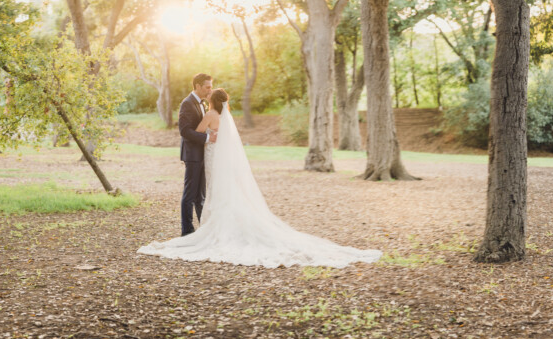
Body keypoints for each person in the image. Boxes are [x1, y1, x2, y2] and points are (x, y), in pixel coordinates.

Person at [139, 88, 382, 268]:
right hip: (214, 158)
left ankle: (207, 228)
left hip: (212, 158)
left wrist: (206, 134)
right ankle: (206, 225)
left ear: (212, 100)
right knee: (216, 191)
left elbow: (197, 132)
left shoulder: (211, 114)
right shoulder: (224, 117)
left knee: (210, 191)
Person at [176, 73, 217, 236]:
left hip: (202, 154)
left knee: (201, 195)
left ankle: (203, 229)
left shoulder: (203, 104)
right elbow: (184, 131)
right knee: (190, 194)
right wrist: (207, 137)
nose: (210, 90)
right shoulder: (187, 104)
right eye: (207, 87)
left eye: (211, 86)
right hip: (192, 155)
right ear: (198, 86)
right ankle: (187, 231)